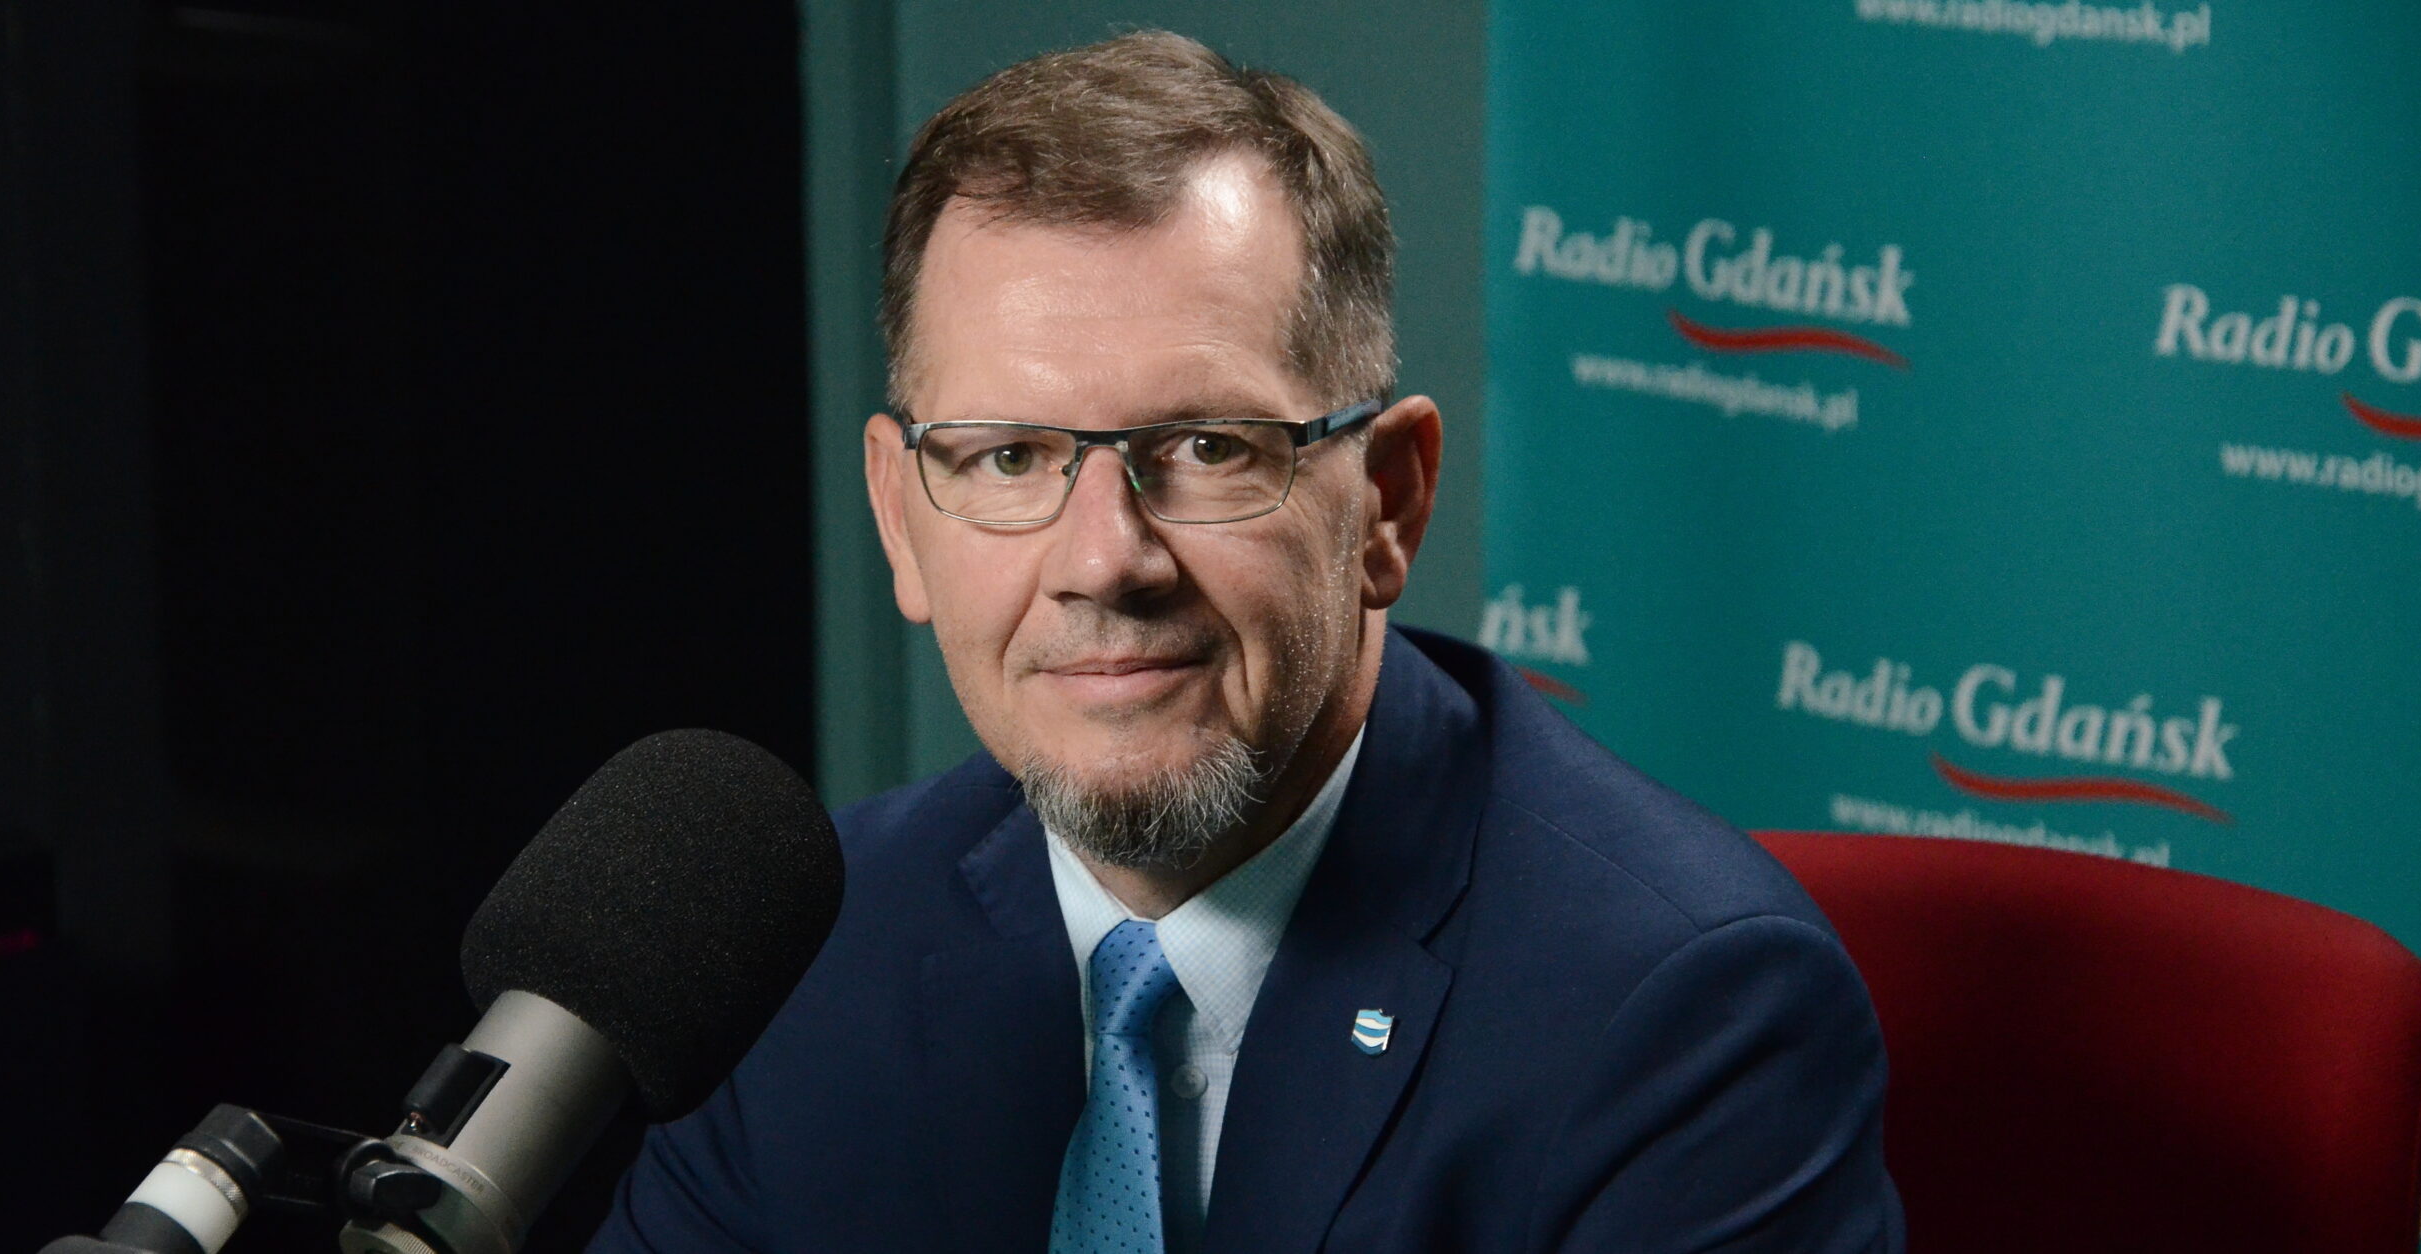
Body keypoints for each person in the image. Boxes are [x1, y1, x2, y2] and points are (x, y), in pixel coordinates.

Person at [591, 30, 1902, 1254]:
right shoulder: (790, 967)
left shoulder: (1684, 1013)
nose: (1104, 560)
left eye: (1209, 447)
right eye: (1009, 457)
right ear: (899, 513)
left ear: (1387, 501)